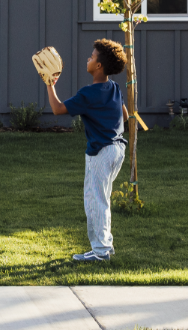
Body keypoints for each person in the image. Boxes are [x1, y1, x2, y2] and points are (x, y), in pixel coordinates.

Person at [45, 38, 129, 263]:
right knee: (102, 199)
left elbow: (57, 109)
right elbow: (126, 116)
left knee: (95, 201)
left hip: (101, 152)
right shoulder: (114, 87)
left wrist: (49, 83)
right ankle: (103, 247)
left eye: (92, 57)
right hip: (117, 149)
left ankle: (100, 252)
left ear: (99, 66)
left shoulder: (88, 94)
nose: (88, 59)